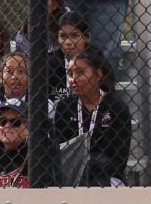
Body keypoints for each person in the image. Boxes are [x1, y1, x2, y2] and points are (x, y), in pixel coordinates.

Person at [54, 47, 133, 187]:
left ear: (98, 74)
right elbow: (60, 150)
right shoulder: (64, 107)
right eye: (70, 74)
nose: (73, 79)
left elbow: (119, 159)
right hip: (71, 176)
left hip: (108, 177)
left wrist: (94, 164)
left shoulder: (116, 107)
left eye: (80, 72)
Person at [45, 9, 92, 102]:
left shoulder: (96, 63)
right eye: (63, 36)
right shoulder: (48, 63)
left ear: (87, 37)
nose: (68, 42)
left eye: (74, 36)